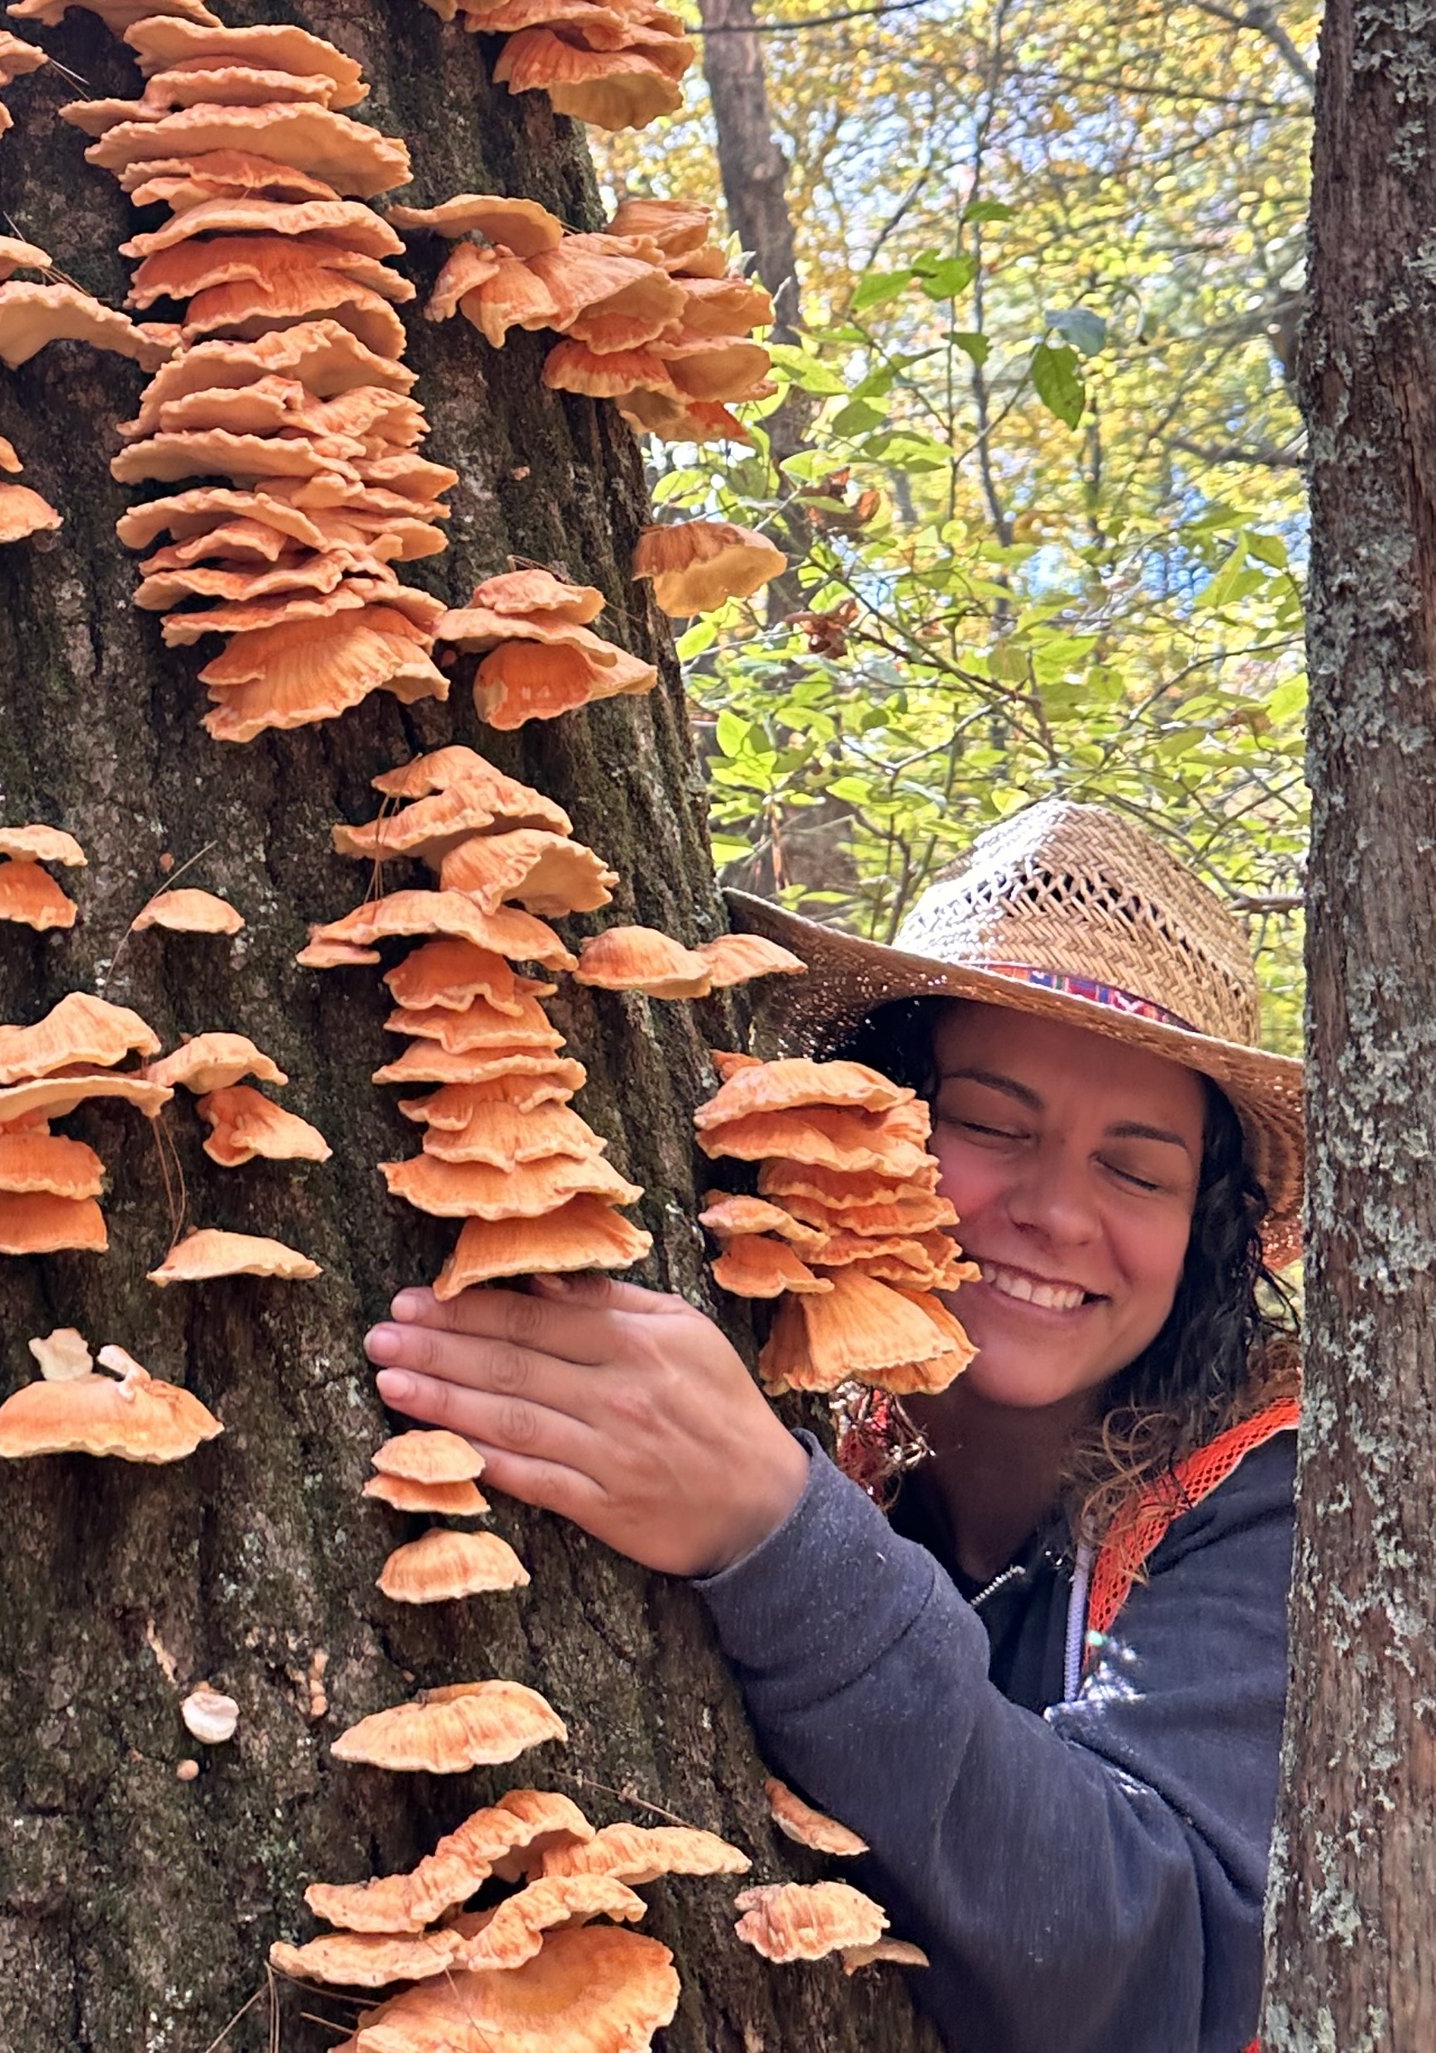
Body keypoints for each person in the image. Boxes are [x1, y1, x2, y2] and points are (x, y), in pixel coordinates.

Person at [364, 799, 1303, 2053]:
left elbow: (1166, 1964)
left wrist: (778, 1538)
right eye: (989, 1122)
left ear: (1206, 1230)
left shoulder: (1278, 1507)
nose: (1055, 1212)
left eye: (1136, 1170)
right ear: (870, 1118)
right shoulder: (815, 1410)